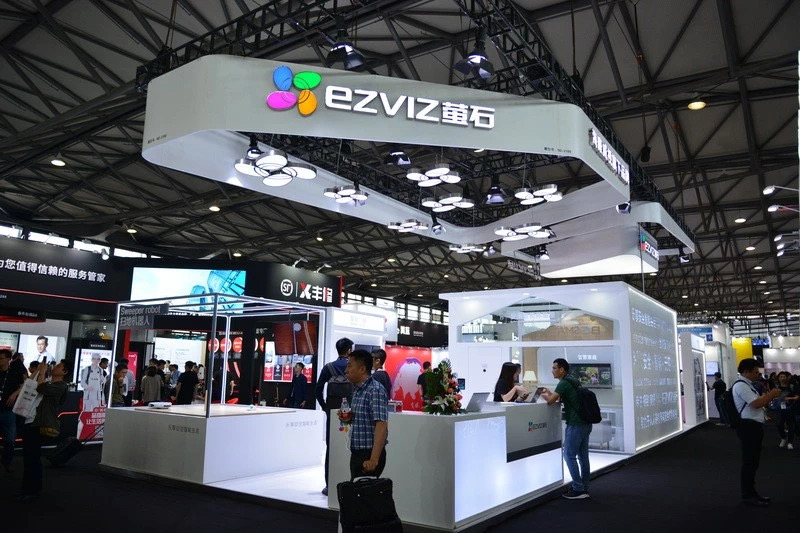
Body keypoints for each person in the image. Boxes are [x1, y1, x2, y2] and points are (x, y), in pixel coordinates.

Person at [732, 358, 783, 506]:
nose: (757, 375)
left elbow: (756, 404)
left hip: (752, 426)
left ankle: (751, 492)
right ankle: (747, 495)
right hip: (748, 427)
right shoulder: (741, 386)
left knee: (753, 462)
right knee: (749, 462)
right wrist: (771, 394)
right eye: (755, 372)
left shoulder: (747, 385)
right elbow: (756, 403)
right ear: (746, 371)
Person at [18, 361, 69, 500]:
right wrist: (38, 372)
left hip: (38, 423)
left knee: (32, 457)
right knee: (29, 457)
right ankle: (29, 488)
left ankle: (31, 489)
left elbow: (41, 388)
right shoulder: (50, 383)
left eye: (59, 366)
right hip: (30, 420)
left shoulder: (61, 386)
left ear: (64, 372)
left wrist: (41, 372)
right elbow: (31, 385)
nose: (55, 367)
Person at [541, 358, 592, 499]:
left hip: (575, 424)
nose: (552, 370)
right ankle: (584, 487)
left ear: (561, 369)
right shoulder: (573, 380)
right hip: (585, 422)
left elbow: (551, 401)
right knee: (583, 457)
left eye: (554, 368)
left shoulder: (563, 383)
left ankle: (578, 489)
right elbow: (560, 397)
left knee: (569, 455)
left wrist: (542, 394)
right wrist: (550, 393)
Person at [338, 349, 389, 479]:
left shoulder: (375, 390)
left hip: (368, 455)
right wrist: (347, 418)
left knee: (365, 491)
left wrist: (373, 459)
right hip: (357, 453)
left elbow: (381, 425)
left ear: (362, 369)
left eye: (349, 366)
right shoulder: (357, 390)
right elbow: (362, 420)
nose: (346, 370)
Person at [315, 337, 353, 496]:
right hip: (351, 414)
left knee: (331, 448)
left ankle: (329, 485)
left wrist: (325, 408)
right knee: (351, 447)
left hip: (333, 413)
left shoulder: (328, 367)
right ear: (349, 350)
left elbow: (317, 390)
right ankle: (349, 483)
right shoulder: (353, 367)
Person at [0, 349, 26, 473]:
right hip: (5, 409)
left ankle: (7, 462)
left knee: (10, 439)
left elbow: (23, 385)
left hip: (8, 410)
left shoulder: (14, 372)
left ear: (8, 359)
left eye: (2, 358)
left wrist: (14, 394)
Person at [772, 371, 798, 449]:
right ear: (778, 378)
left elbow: (797, 397)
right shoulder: (776, 387)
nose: (782, 378)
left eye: (784, 376)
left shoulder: (792, 386)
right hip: (779, 409)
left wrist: (788, 398)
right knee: (779, 424)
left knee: (791, 426)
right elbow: (772, 397)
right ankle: (783, 437)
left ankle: (790, 442)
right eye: (781, 377)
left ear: (787, 378)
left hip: (790, 408)